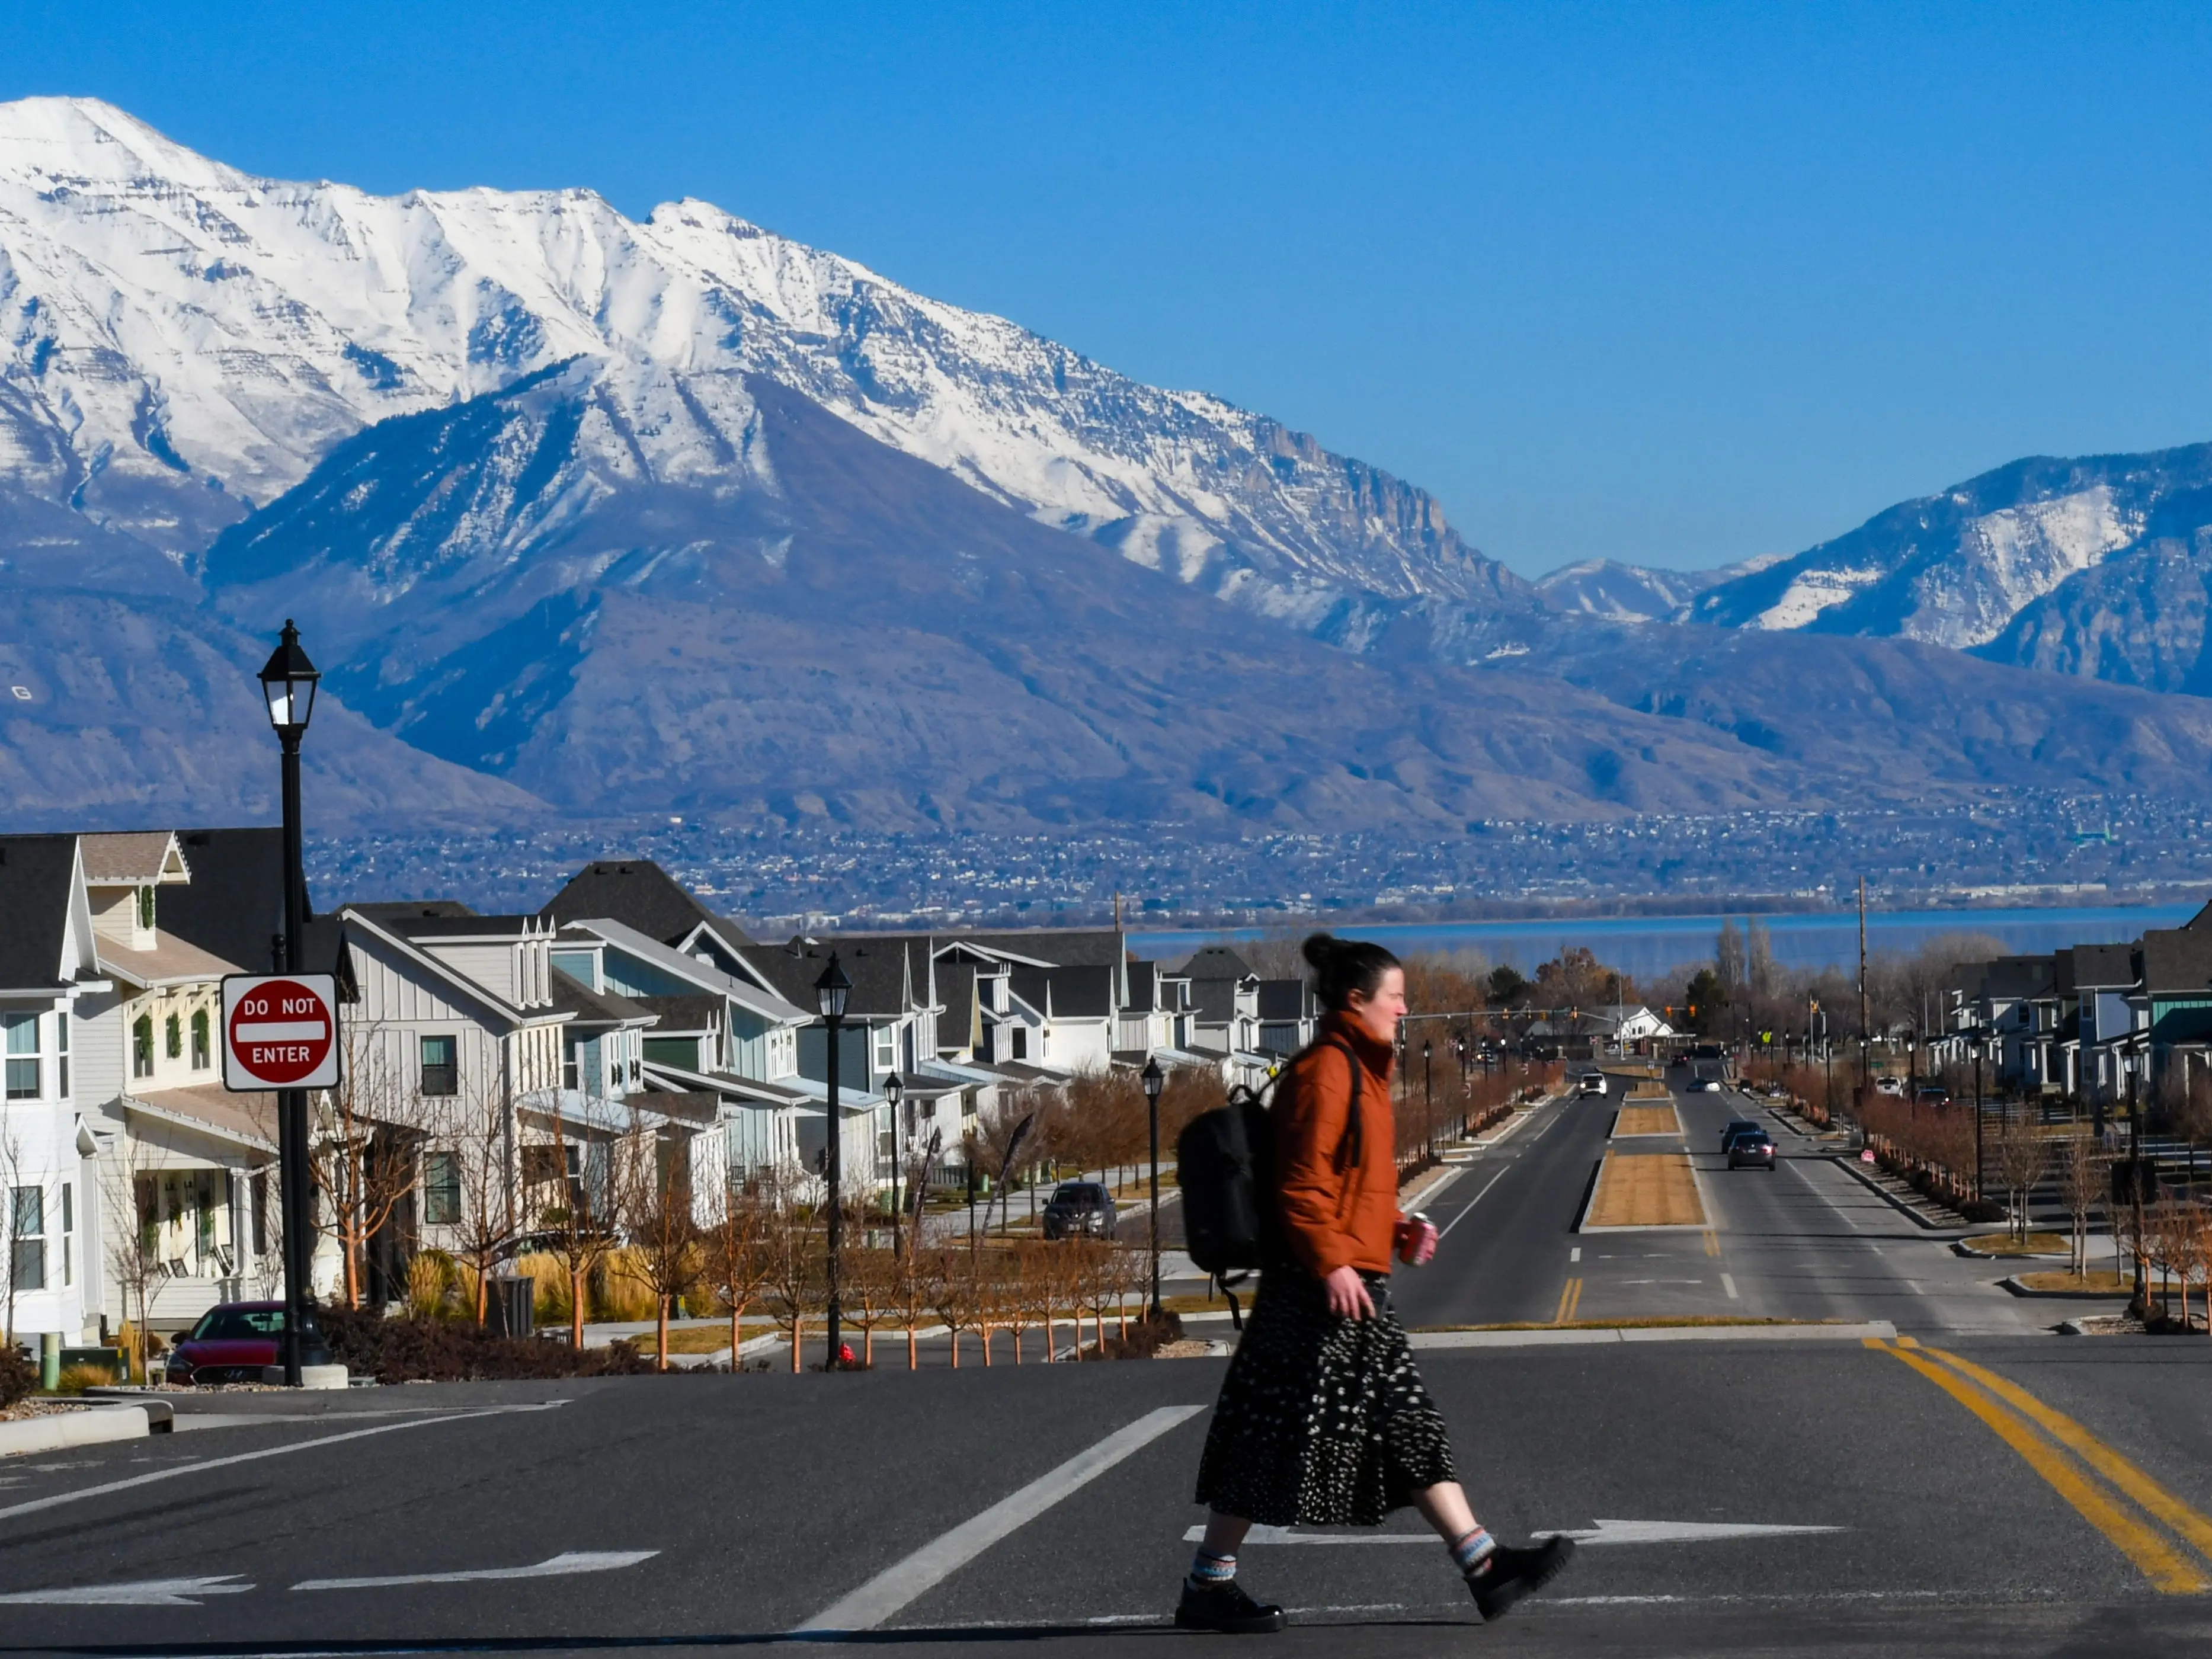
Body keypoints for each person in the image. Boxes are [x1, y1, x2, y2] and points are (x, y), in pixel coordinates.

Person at [1176, 934, 1575, 1632]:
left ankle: (1213, 1582)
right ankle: (1480, 1564)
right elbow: (1298, 1185)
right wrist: (1332, 1261)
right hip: (1320, 1288)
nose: (1404, 1005)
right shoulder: (1327, 1074)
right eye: (1393, 995)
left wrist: (1394, 1226)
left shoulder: (1358, 1072)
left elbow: (1347, 1182)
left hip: (1342, 1277)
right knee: (1329, 1427)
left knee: (1317, 1429)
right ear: (1356, 1001)